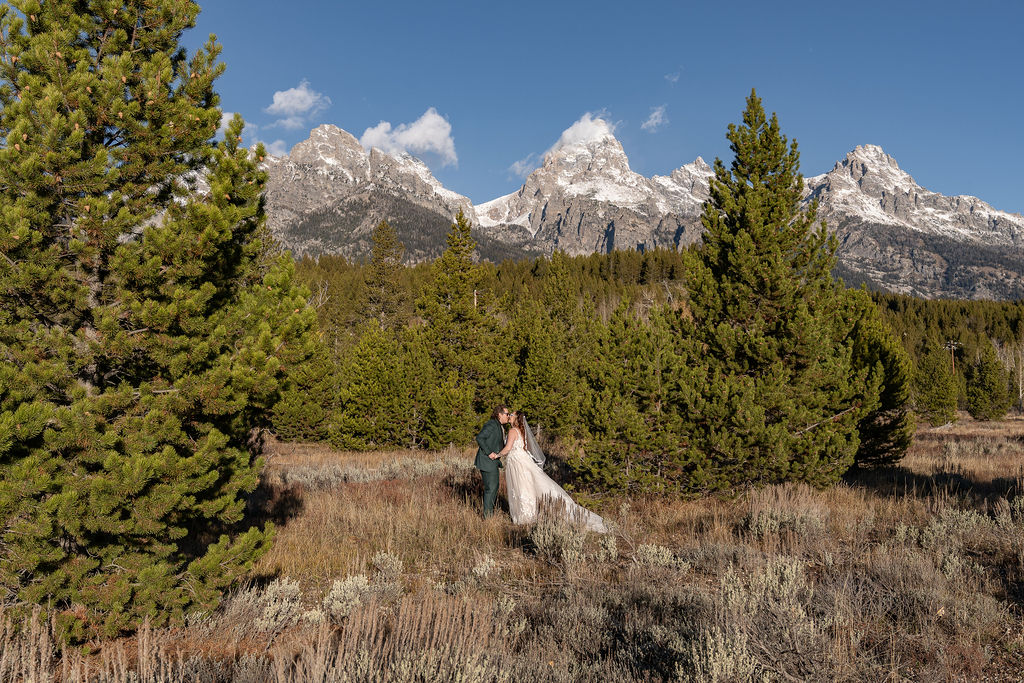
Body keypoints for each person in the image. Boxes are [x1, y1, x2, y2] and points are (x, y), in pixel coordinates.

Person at [496, 411, 608, 533]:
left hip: (518, 463)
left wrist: (497, 455)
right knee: (526, 487)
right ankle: (527, 514)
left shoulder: (513, 431)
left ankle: (525, 516)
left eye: (511, 415)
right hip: (522, 460)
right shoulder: (520, 431)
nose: (509, 416)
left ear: (516, 418)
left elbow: (508, 448)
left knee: (522, 487)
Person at [474, 404, 512, 518]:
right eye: (507, 414)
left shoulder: (499, 426)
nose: (508, 416)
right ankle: (488, 517)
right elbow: (480, 438)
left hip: (492, 462)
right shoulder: (492, 424)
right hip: (487, 461)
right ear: (499, 414)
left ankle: (489, 514)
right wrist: (489, 452)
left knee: (493, 488)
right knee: (491, 488)